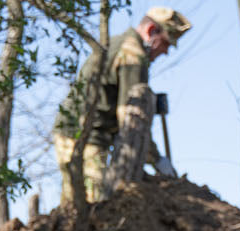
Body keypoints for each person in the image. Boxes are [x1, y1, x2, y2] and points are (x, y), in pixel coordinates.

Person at [52, 7, 190, 206]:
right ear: (151, 31)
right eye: (166, 43)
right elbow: (131, 119)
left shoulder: (119, 43)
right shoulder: (132, 54)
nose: (166, 51)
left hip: (75, 132)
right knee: (93, 204)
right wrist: (157, 159)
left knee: (75, 203)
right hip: (86, 137)